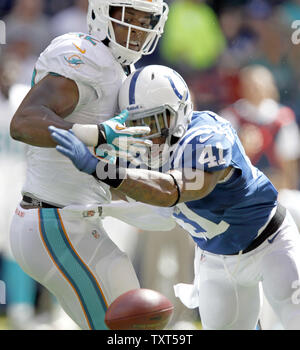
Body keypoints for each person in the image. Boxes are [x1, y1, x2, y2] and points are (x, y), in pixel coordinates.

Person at [50, 64, 300, 330]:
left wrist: (101, 169)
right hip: (216, 261)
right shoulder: (139, 148)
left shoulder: (207, 135)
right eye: (139, 125)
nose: (150, 135)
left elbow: (175, 189)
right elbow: (130, 192)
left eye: (156, 122)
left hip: (269, 243)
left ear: (180, 111)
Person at [9, 0, 169, 330]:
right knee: (128, 329)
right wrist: (95, 134)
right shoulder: (85, 56)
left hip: (79, 221)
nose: (138, 30)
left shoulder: (121, 72)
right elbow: (23, 122)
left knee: (138, 324)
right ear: (102, 13)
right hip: (55, 220)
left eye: (146, 20)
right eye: (130, 17)